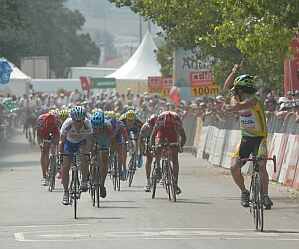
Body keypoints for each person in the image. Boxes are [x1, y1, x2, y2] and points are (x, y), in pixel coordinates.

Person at [223, 70, 273, 209]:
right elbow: (226, 87)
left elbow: (238, 107)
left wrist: (230, 105)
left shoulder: (253, 100)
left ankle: (264, 195)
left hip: (260, 139)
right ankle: (244, 192)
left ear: (240, 90)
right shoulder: (237, 97)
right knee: (234, 167)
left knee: (261, 165)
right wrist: (233, 72)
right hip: (245, 139)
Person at [59, 106, 92, 205]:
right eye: (76, 121)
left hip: (82, 142)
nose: (78, 123)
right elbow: (62, 141)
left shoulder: (87, 124)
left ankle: (84, 181)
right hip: (69, 143)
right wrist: (61, 155)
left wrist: (88, 153)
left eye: (80, 121)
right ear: (72, 119)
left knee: (84, 157)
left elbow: (90, 140)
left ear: (83, 119)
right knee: (65, 167)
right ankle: (65, 192)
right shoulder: (67, 124)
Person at [150, 111, 186, 194]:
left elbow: (183, 136)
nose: (168, 126)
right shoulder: (159, 121)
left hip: (173, 134)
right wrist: (153, 147)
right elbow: (153, 136)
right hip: (162, 133)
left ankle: (175, 183)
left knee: (175, 159)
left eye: (170, 125)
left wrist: (180, 146)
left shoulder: (177, 122)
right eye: (167, 125)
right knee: (158, 147)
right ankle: (158, 167)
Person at [90, 111, 113, 198]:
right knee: (91, 155)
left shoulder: (108, 126)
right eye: (95, 127)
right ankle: (92, 174)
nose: (97, 129)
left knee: (104, 159)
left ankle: (102, 184)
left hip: (104, 139)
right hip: (93, 138)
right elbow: (88, 140)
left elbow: (111, 140)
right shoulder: (90, 125)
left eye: (99, 127)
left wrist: (108, 150)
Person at [36, 112, 60, 186]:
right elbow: (39, 136)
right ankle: (44, 175)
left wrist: (55, 144)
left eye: (51, 126)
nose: (50, 127)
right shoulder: (40, 122)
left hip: (54, 132)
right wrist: (41, 144)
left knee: (54, 146)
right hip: (43, 133)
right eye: (49, 126)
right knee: (44, 151)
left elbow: (58, 136)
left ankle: (54, 162)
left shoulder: (57, 122)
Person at [138, 114, 158, 192]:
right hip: (148, 140)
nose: (153, 128)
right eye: (151, 126)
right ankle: (148, 180)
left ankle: (160, 168)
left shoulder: (160, 125)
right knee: (149, 159)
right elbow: (140, 139)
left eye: (154, 126)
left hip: (157, 139)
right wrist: (141, 150)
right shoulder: (145, 127)